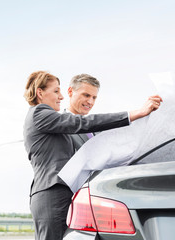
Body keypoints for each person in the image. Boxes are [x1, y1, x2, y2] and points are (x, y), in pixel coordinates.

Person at [23, 70, 162, 240]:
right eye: (56, 91)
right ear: (40, 92)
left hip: (71, 197)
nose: (60, 97)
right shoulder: (39, 113)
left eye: (94, 97)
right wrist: (134, 114)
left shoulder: (52, 122)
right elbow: (82, 123)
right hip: (51, 194)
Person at [66, 74, 100, 150]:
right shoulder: (59, 126)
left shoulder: (97, 127)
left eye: (94, 98)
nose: (90, 102)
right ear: (70, 92)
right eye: (86, 95)